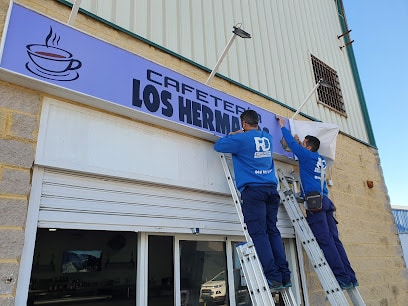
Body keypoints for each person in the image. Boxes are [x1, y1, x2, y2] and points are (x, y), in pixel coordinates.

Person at [214, 110, 291, 290]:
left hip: (254, 192)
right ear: (257, 122)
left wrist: (234, 135)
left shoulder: (241, 139)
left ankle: (273, 277)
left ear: (244, 123)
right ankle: (285, 276)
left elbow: (219, 146)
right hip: (271, 191)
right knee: (272, 231)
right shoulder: (267, 138)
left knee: (259, 234)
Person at [278, 117, 358, 289]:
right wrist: (302, 143)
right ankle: (350, 277)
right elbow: (304, 151)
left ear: (308, 146)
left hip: (316, 205)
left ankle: (341, 277)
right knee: (335, 240)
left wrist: (283, 127)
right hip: (326, 201)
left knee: (325, 241)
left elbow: (291, 144)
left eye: (304, 143)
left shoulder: (306, 156)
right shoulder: (320, 159)